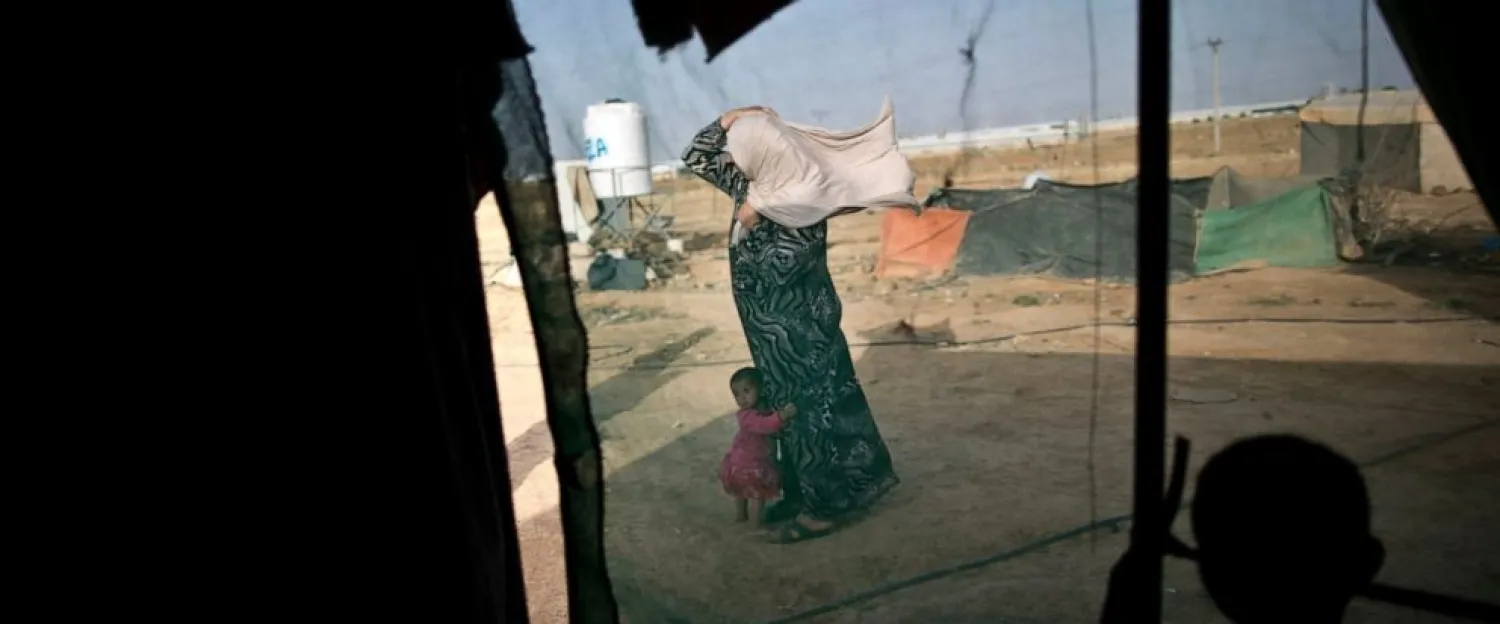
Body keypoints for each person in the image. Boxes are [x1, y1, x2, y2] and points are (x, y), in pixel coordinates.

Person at [682, 106, 901, 544]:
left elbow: (783, 269)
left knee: (811, 417)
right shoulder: (754, 182)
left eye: (746, 150)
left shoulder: (802, 199)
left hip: (804, 336)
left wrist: (756, 213)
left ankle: (824, 508)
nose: (738, 162)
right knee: (791, 418)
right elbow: (696, 156)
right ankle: (804, 493)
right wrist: (730, 118)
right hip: (771, 340)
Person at [1100, 434, 1385, 623]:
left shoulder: (1222, 575)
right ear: (1368, 563)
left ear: (1212, 576)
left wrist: (1134, 567)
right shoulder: (1342, 572)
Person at [719, 367, 798, 527]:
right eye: (737, 394)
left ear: (761, 390)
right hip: (751, 463)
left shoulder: (758, 410)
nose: (742, 398)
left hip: (739, 461)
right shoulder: (746, 416)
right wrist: (781, 416)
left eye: (746, 391)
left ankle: (741, 516)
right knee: (757, 495)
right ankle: (755, 524)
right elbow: (764, 425)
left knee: (740, 492)